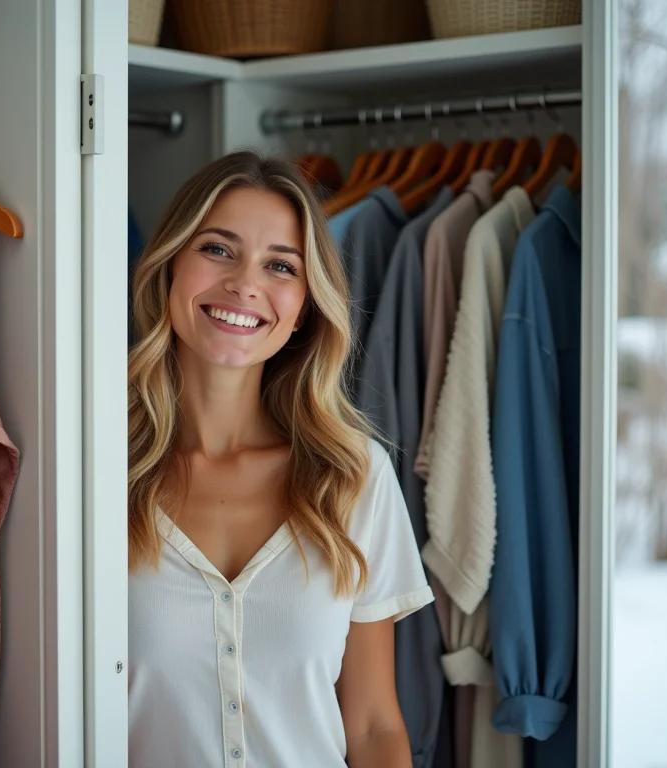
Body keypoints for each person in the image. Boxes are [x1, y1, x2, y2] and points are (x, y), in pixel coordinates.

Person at [128, 150, 434, 768]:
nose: (246, 284)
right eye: (217, 249)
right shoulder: (93, 474)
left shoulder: (354, 475)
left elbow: (373, 724)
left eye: (280, 265)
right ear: (169, 266)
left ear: (302, 309)